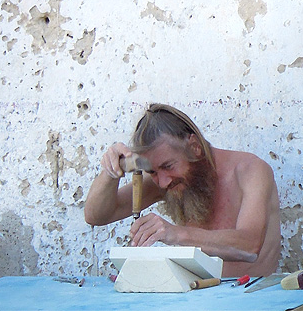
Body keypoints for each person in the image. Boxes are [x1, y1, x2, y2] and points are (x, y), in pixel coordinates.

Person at [84, 103, 281, 277]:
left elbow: (249, 246)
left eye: (168, 166)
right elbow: (97, 216)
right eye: (152, 172)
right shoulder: (167, 179)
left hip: (253, 300)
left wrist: (175, 234)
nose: (162, 182)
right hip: (196, 298)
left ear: (194, 147)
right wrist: (110, 173)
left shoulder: (250, 170)